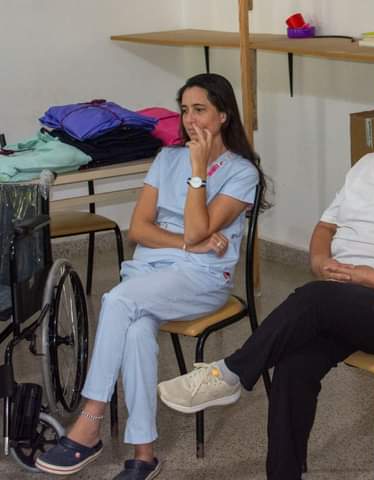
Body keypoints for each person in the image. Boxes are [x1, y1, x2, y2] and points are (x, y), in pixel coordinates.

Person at [157, 73, 374, 479]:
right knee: (294, 363)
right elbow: (326, 226)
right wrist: (318, 260)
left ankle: (230, 373)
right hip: (348, 303)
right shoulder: (368, 165)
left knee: (316, 299)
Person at [36, 73, 265, 480]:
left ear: (224, 115)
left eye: (200, 110)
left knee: (118, 300)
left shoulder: (241, 172)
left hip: (202, 278)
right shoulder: (166, 158)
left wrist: (199, 170)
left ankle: (90, 419)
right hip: (152, 269)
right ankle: (144, 455)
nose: (190, 120)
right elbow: (140, 230)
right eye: (185, 110)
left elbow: (197, 228)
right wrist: (187, 243)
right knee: (137, 330)